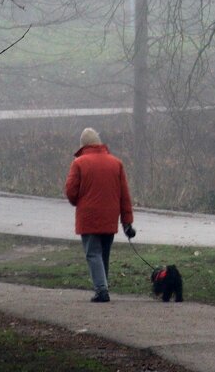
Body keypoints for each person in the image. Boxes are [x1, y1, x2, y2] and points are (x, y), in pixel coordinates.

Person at [64, 128, 135, 303]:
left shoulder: (79, 163)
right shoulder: (116, 163)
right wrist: (127, 222)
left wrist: (78, 202)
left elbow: (70, 192)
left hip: (88, 217)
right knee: (104, 253)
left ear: (83, 145)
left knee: (93, 253)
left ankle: (102, 290)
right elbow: (124, 195)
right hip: (110, 218)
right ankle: (104, 286)